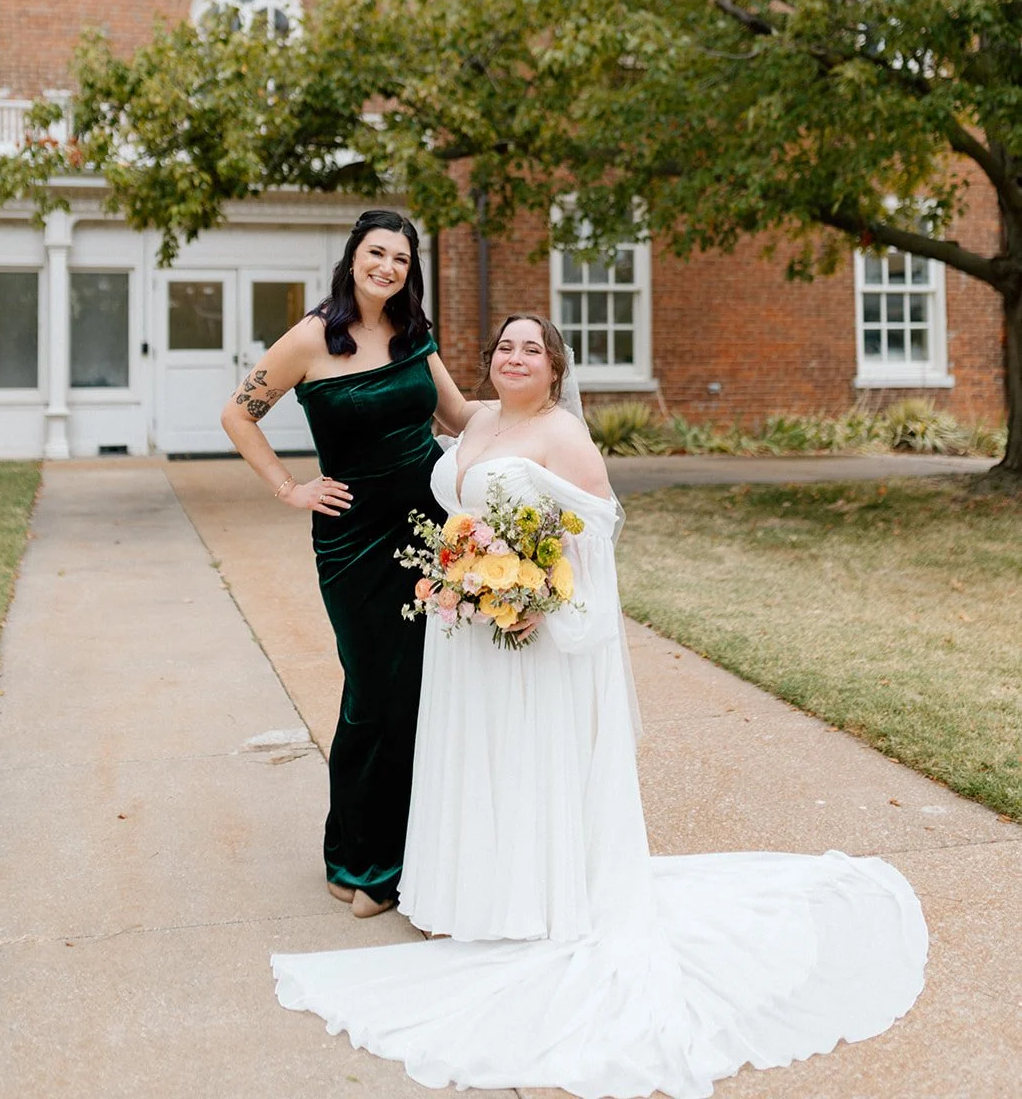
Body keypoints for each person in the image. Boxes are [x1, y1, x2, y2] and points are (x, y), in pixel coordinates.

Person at [272, 312, 928, 1098]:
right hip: (462, 634)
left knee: (519, 756)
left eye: (531, 349)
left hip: (521, 633)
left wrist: (528, 584)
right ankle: (464, 892)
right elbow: (443, 485)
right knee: (468, 754)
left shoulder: (563, 438)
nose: (514, 358)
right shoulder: (476, 420)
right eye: (504, 347)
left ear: (554, 367)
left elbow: (598, 529)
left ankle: (528, 896)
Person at [221, 209, 473, 920]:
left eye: (400, 258)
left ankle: (382, 857)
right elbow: (237, 415)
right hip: (351, 540)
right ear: (353, 257)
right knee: (371, 691)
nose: (388, 267)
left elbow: (454, 418)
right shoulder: (311, 336)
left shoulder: (414, 335)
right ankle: (358, 857)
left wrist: (536, 411)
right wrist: (289, 488)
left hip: (430, 530)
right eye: (376, 253)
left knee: (417, 693)